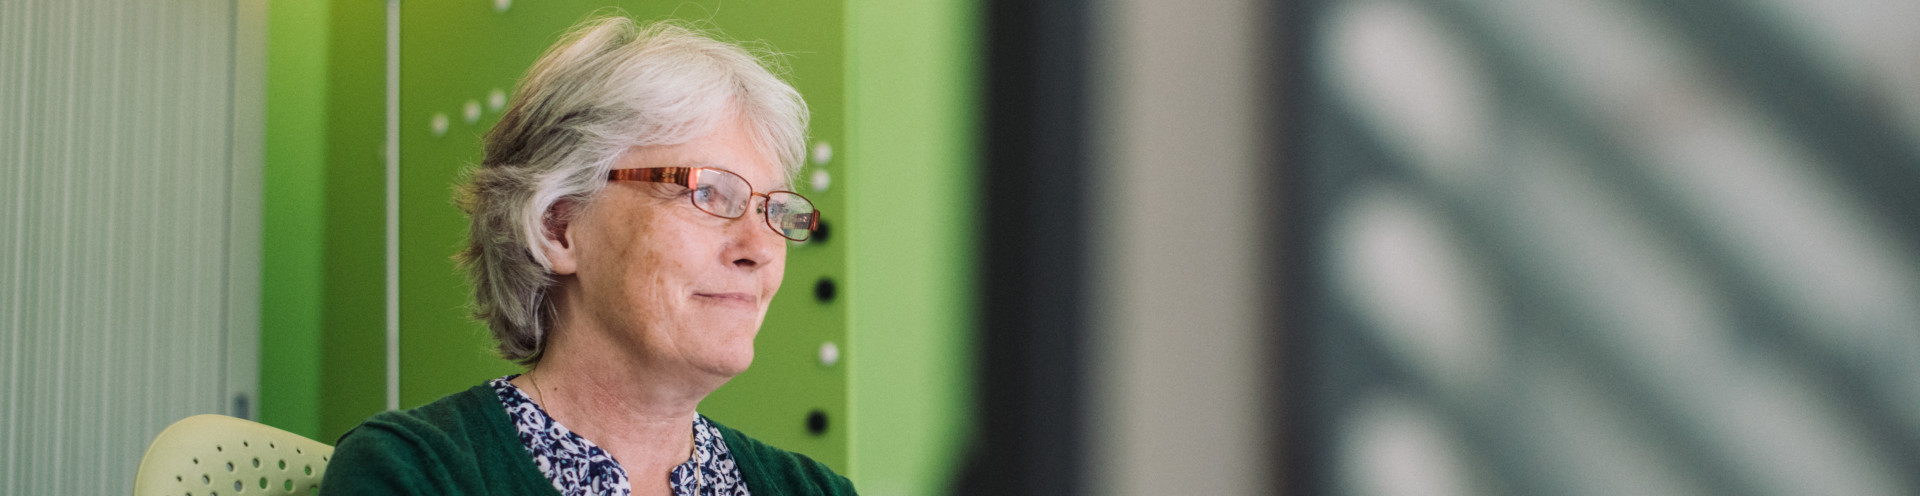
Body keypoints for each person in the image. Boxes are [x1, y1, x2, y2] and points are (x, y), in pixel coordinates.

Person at [321, 15, 852, 496]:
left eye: (774, 210)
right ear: (558, 227)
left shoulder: (811, 490)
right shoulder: (415, 473)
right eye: (708, 193)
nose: (759, 248)